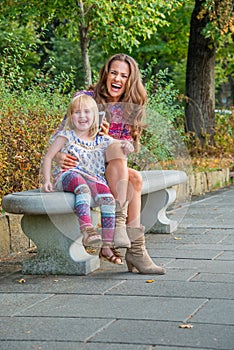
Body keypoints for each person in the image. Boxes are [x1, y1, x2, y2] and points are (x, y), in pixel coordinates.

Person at [56, 53, 165, 275]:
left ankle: (131, 244)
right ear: (106, 74)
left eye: (124, 75)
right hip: (83, 167)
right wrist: (59, 156)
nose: (117, 78)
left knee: (122, 156)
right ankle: (134, 247)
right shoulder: (86, 98)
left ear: (130, 80)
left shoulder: (130, 107)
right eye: (114, 73)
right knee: (134, 179)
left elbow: (133, 147)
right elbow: (60, 135)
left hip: (110, 170)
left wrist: (108, 140)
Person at [42, 93, 132, 265]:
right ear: (70, 116)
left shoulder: (101, 138)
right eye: (76, 113)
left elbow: (121, 144)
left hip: (93, 179)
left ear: (95, 116)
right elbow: (48, 157)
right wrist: (47, 179)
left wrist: (126, 145)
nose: (82, 116)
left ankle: (106, 246)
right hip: (68, 176)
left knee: (107, 199)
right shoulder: (66, 136)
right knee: (81, 186)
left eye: (86, 112)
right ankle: (87, 230)